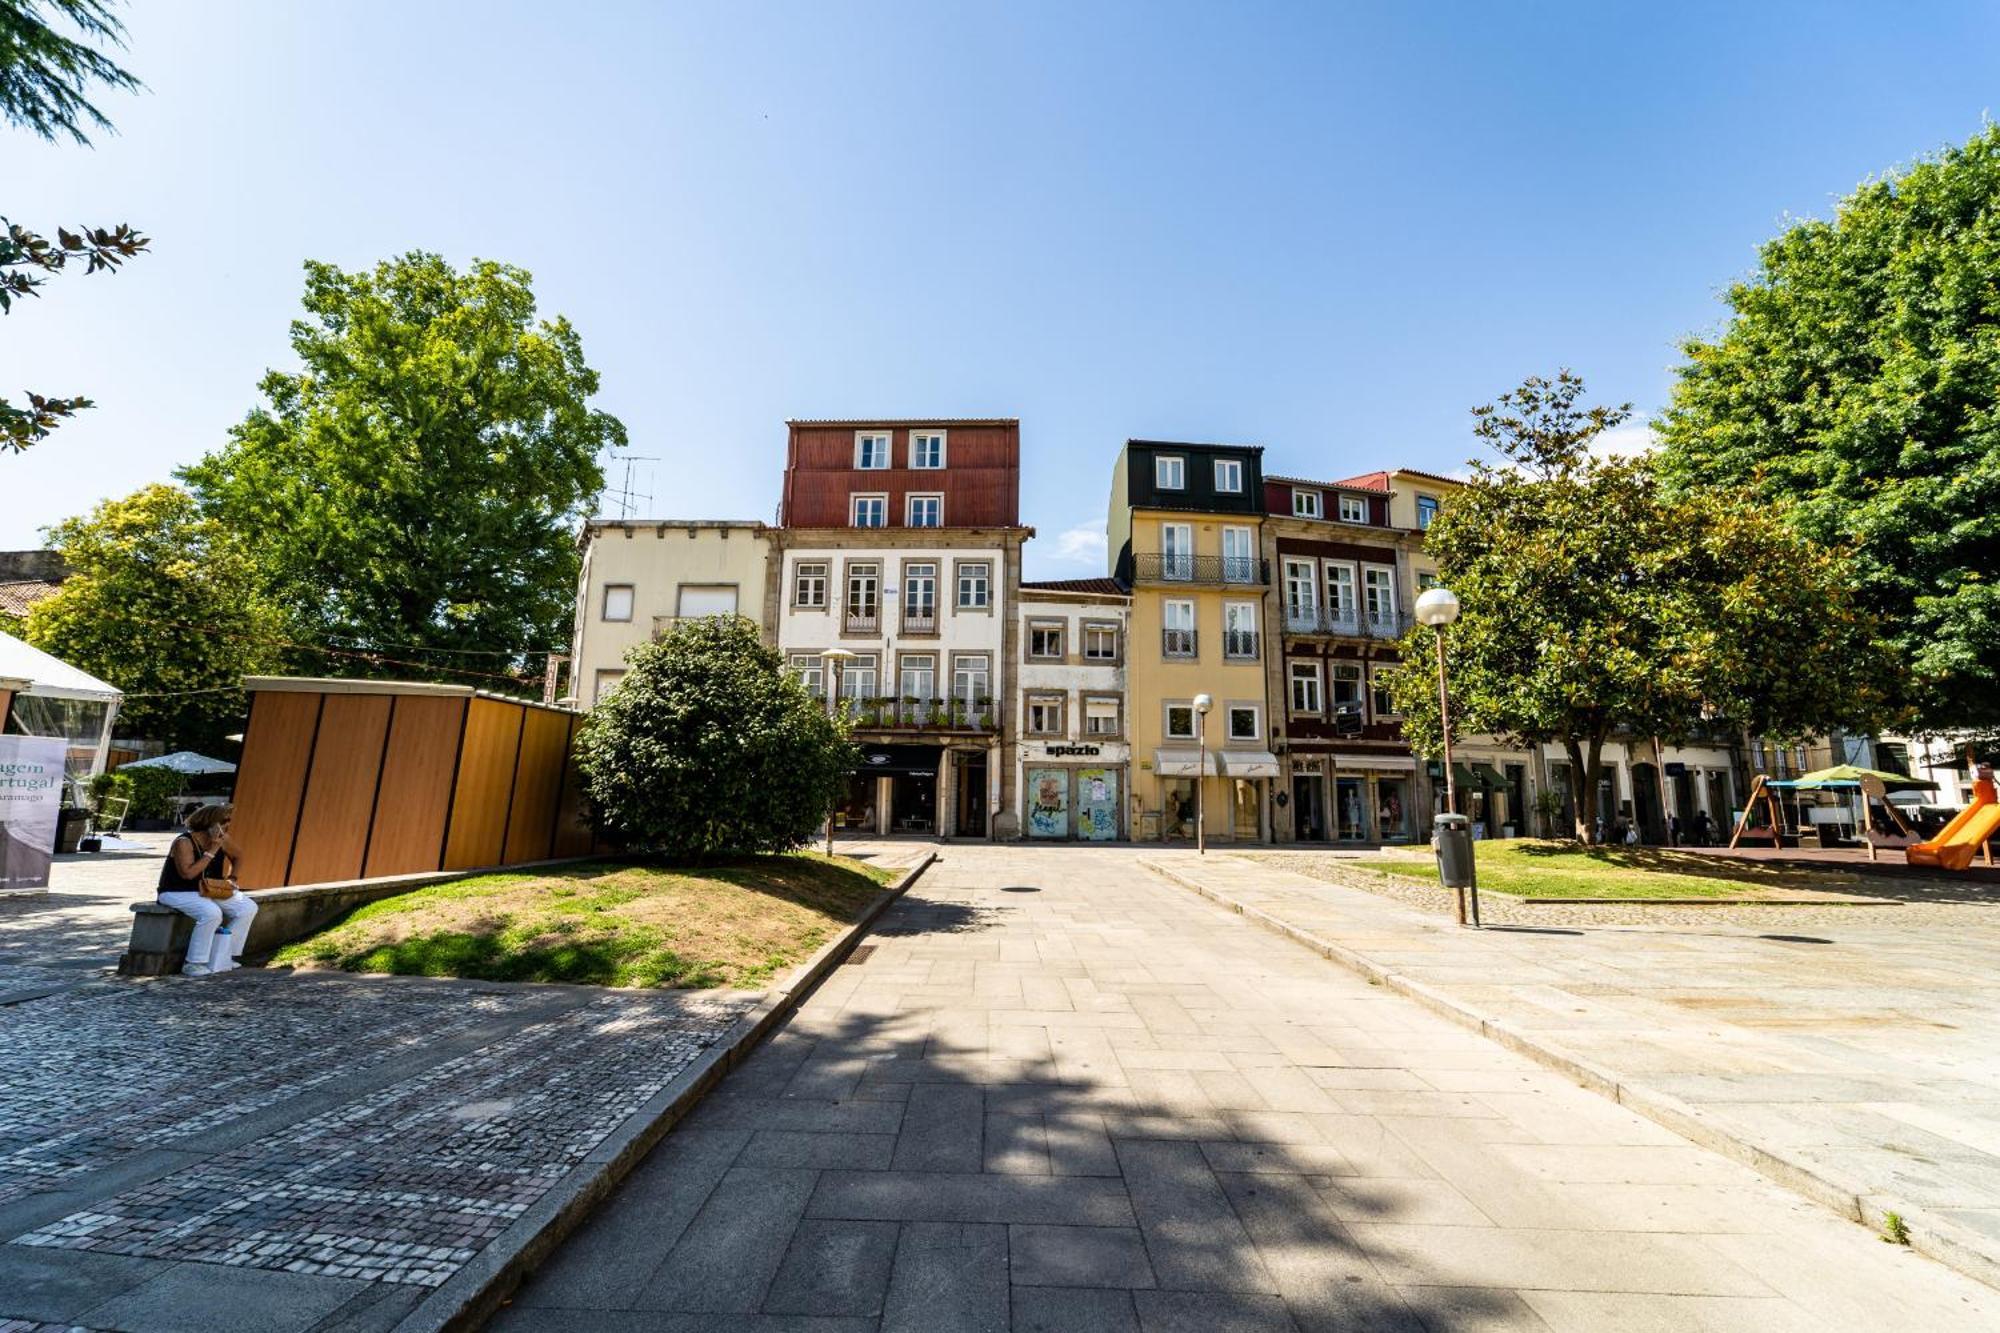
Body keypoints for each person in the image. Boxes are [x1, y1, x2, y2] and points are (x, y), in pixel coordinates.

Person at [157, 803, 256, 977]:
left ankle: (222, 956)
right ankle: (194, 963)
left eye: (228, 821)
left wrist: (232, 878)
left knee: (247, 908)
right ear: (210, 822)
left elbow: (239, 856)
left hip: (208, 889)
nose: (227, 825)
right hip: (176, 891)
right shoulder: (184, 842)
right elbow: (188, 874)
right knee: (211, 912)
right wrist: (213, 850)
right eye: (224, 821)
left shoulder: (223, 838)